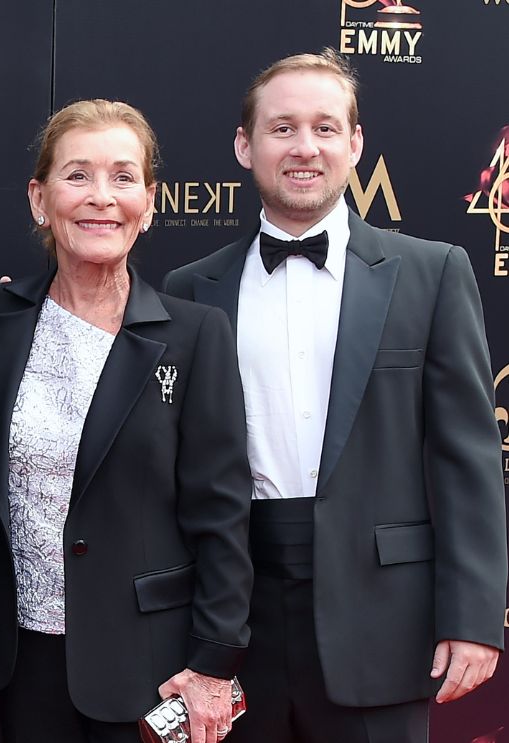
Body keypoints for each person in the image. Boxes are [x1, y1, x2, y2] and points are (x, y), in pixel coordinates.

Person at [164, 49, 507, 743]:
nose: (303, 147)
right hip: (233, 617)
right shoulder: (187, 290)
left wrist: (471, 615)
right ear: (243, 145)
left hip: (384, 618)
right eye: (281, 127)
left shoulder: (431, 272)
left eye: (324, 127)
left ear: (354, 143)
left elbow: (467, 457)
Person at [0, 100, 254, 743]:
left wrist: (214, 662)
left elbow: (222, 513)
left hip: (150, 667)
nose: (102, 197)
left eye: (123, 177)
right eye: (77, 175)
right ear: (39, 199)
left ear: (149, 202)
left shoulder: (195, 335)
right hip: (12, 667)